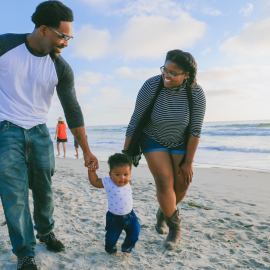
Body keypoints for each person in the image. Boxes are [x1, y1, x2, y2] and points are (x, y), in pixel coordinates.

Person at [0, 1, 98, 270]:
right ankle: (25, 252)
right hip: (6, 131)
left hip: (41, 132)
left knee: (44, 190)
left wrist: (86, 150)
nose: (67, 42)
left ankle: (45, 231)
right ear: (43, 29)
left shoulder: (61, 68)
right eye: (62, 35)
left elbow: (72, 109)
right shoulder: (5, 45)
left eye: (69, 37)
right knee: (14, 195)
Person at [123, 50, 206, 250]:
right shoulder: (152, 85)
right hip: (153, 138)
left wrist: (188, 163)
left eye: (173, 73)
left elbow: (195, 130)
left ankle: (164, 211)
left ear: (187, 74)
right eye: (165, 70)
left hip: (180, 142)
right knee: (164, 181)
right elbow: (136, 119)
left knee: (182, 185)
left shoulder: (195, 92)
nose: (166, 76)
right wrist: (125, 155)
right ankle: (175, 227)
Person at [88, 153, 140, 257]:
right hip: (114, 219)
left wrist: (128, 179)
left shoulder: (127, 182)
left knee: (135, 233)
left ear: (130, 174)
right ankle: (110, 249)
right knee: (111, 238)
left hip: (131, 216)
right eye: (117, 174)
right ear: (110, 174)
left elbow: (126, 180)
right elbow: (95, 181)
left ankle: (126, 248)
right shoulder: (108, 182)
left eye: (126, 174)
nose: (122, 178)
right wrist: (92, 171)